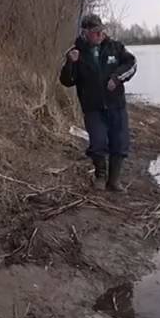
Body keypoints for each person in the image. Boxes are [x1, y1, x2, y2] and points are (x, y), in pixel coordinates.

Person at [58, 13, 137, 191]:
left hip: (116, 105)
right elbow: (67, 80)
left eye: (101, 31)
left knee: (119, 141)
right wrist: (70, 63)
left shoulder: (115, 48)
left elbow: (132, 65)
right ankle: (100, 176)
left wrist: (117, 78)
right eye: (95, 32)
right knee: (98, 142)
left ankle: (114, 180)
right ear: (85, 33)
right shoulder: (75, 53)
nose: (99, 35)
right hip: (92, 107)